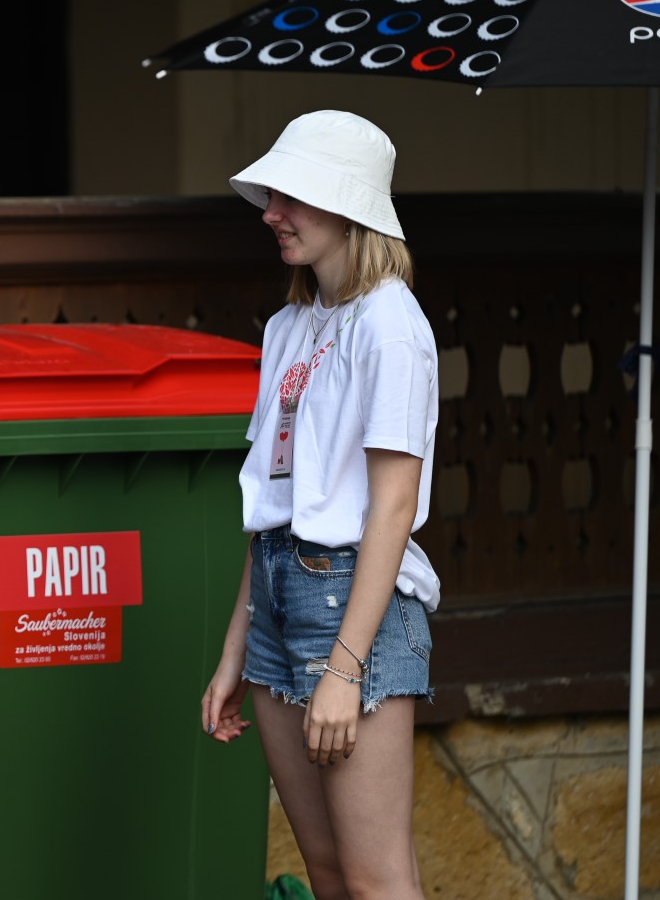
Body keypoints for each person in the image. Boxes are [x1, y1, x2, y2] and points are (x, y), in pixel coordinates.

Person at [200, 111, 439, 900]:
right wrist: (236, 650)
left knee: (376, 882)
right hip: (278, 598)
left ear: (349, 204)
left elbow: (393, 507)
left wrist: (345, 668)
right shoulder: (289, 326)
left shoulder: (391, 324)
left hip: (349, 603)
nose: (271, 213)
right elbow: (275, 502)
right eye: (271, 196)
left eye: (292, 196)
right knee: (331, 877)